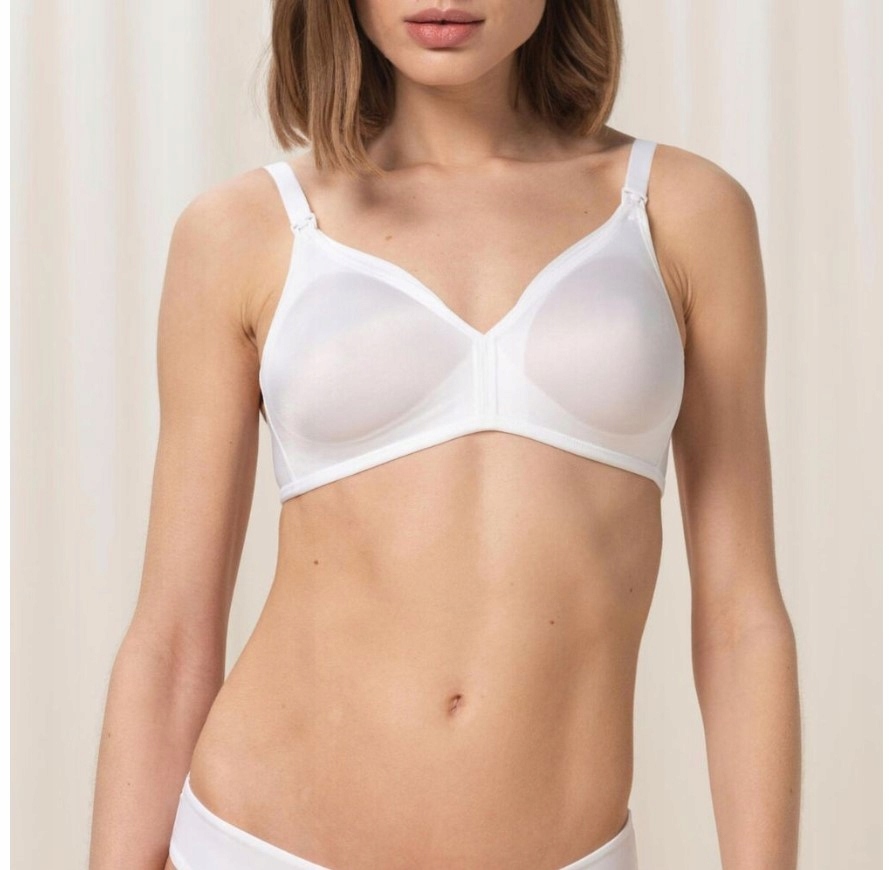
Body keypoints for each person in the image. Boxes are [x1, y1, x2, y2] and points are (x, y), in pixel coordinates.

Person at [89, 1, 802, 868]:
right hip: (258, 844)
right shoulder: (243, 230)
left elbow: (740, 620)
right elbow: (170, 639)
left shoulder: (679, 211)